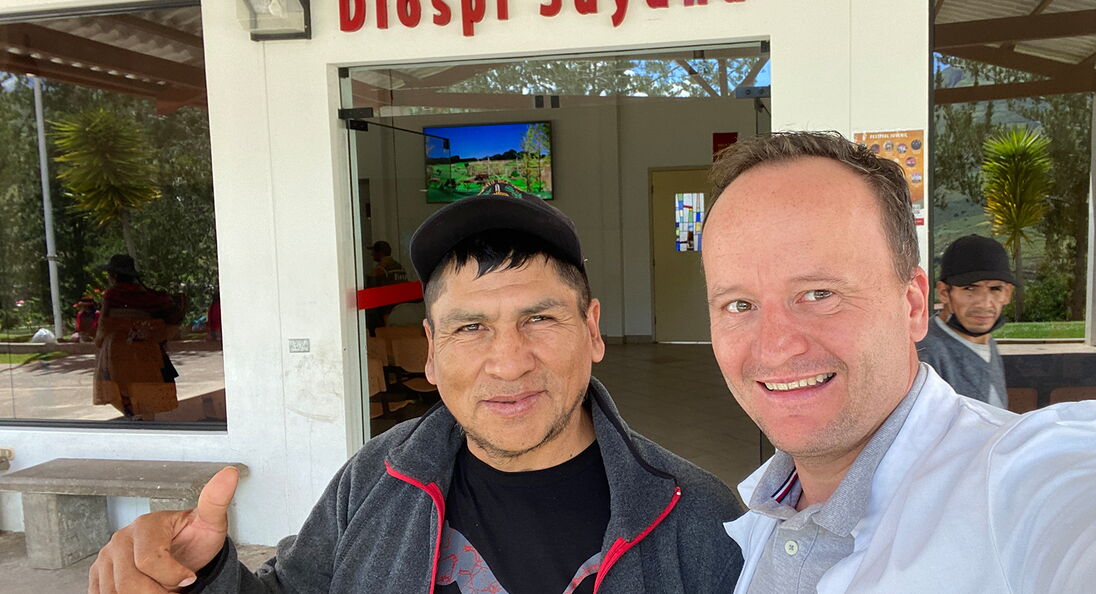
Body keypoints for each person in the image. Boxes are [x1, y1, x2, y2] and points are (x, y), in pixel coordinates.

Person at [701, 131, 1096, 592]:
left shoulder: (1023, 480)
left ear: (913, 306)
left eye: (819, 293)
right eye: (739, 304)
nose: (774, 346)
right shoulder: (762, 508)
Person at [89, 193, 744, 593]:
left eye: (540, 319)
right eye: (471, 327)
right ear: (430, 350)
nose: (508, 362)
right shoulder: (375, 478)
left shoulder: (699, 516)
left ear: (592, 330)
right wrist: (204, 576)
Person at [915, 234, 1014, 408]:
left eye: (995, 289)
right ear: (944, 293)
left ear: (1007, 294)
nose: (984, 303)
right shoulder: (926, 353)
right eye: (970, 288)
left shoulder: (986, 341)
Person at [93, 254, 180, 420]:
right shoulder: (147, 295)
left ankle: (134, 418)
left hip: (118, 351)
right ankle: (146, 419)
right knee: (146, 387)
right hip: (147, 351)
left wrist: (99, 342)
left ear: (114, 275)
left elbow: (103, 325)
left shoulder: (111, 295)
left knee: (122, 388)